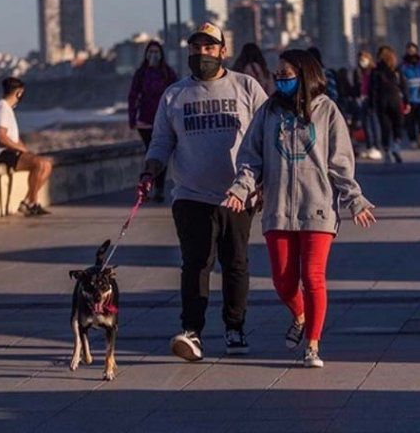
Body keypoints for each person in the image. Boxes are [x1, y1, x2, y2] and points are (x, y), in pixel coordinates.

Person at [223, 49, 376, 368]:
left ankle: (313, 345)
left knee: (313, 276)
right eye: (277, 75)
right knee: (283, 281)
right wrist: (241, 188)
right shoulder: (268, 112)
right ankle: (301, 315)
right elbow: (251, 157)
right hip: (277, 209)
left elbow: (340, 163)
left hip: (317, 208)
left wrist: (354, 199)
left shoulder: (328, 111)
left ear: (305, 75)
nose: (280, 80)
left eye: (286, 75)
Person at [137, 22, 268, 362]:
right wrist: (151, 168)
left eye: (210, 47)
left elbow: (267, 135)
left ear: (223, 50)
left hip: (238, 194)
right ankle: (191, 331)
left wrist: (264, 182)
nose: (202, 54)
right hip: (190, 195)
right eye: (196, 48)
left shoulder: (247, 87)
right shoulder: (175, 94)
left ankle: (234, 327)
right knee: (196, 265)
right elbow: (162, 140)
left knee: (235, 264)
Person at [0, 78, 53, 216]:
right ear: (19, 93)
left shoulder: (6, 108)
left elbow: (14, 138)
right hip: (0, 154)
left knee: (47, 164)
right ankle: (32, 202)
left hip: (9, 152)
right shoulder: (2, 107)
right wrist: (21, 150)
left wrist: (25, 151)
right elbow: (1, 137)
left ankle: (27, 201)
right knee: (39, 164)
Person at [127, 41, 177, 202]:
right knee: (151, 153)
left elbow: (177, 93)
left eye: (156, 52)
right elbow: (133, 96)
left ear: (161, 54)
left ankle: (159, 188)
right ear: (146, 54)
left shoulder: (167, 73)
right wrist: (132, 118)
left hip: (163, 120)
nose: (153, 55)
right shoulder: (141, 73)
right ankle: (150, 185)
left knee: (160, 153)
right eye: (150, 52)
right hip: (145, 121)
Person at [370, 46, 408, 163]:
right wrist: (407, 101)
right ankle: (396, 145)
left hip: (382, 101)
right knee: (398, 124)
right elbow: (403, 86)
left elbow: (373, 89)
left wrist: (372, 103)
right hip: (395, 99)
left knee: (385, 127)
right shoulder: (396, 70)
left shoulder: (376, 71)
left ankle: (386, 151)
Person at [351, 51, 383, 160]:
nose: (362, 62)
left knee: (374, 123)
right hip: (362, 99)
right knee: (366, 124)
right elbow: (356, 86)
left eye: (364, 59)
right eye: (360, 60)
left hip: (371, 100)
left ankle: (377, 146)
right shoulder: (359, 72)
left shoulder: (373, 71)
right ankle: (370, 146)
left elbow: (375, 87)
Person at [399, 43, 420, 149]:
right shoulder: (403, 66)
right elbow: (401, 81)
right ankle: (412, 139)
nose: (411, 52)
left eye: (413, 50)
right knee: (410, 120)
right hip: (409, 97)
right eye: (409, 50)